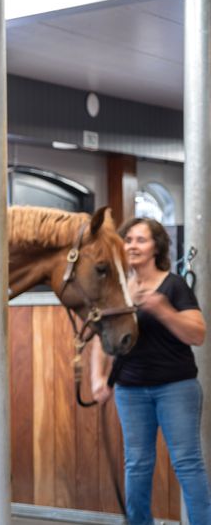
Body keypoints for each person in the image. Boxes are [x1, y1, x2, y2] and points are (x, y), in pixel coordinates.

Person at [91, 217, 210, 525]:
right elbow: (101, 338)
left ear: (157, 246)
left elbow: (197, 334)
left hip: (176, 388)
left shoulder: (174, 285)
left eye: (141, 240)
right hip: (130, 390)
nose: (132, 245)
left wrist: (163, 309)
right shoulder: (116, 289)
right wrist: (98, 378)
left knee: (187, 463)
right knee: (137, 464)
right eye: (128, 239)